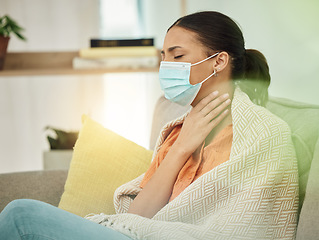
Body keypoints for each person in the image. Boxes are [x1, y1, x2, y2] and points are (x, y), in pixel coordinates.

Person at [0, 11, 298, 240]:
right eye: (163, 56)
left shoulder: (265, 135)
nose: (165, 66)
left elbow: (250, 228)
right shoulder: (175, 133)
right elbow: (139, 218)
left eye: (177, 55)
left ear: (219, 62)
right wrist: (182, 148)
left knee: (21, 215)